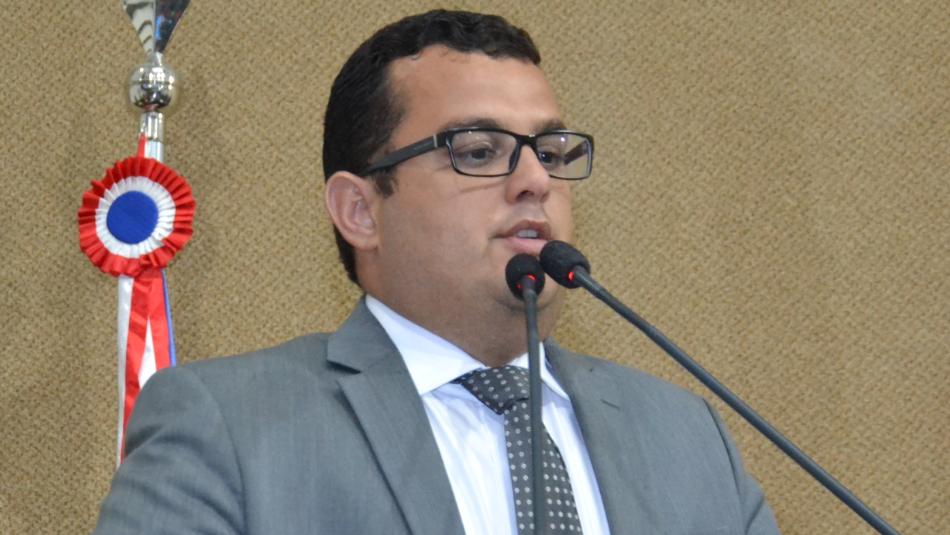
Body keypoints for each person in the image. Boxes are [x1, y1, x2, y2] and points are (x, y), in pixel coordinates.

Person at [92, 9, 780, 535]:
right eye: (479, 151)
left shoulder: (686, 436)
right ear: (360, 210)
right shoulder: (229, 427)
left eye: (550, 151)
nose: (537, 180)